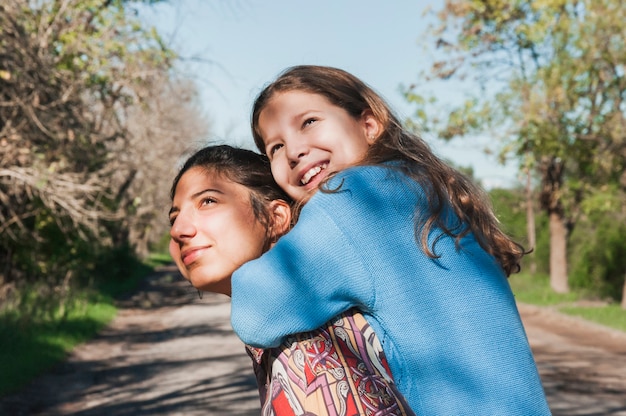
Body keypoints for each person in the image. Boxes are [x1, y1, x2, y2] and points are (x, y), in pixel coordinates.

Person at [230, 65, 552, 415]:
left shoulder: (352, 198)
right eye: (275, 147)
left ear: (369, 125)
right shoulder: (425, 189)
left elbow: (255, 312)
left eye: (308, 122)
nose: (293, 151)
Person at [168, 145, 415, 415]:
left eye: (208, 201)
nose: (179, 230)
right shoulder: (295, 322)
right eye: (174, 217)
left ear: (276, 217)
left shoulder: (310, 345)